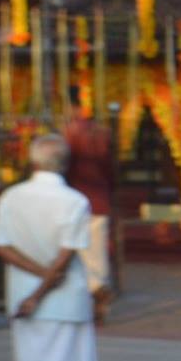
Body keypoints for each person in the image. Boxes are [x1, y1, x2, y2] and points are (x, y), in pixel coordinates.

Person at [0, 133, 107, 361]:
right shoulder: (74, 201)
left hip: (24, 299)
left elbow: (1, 246)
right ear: (66, 165)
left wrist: (33, 287)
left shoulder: (11, 198)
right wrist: (44, 283)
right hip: (63, 298)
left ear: (33, 162)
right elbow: (66, 256)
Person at [62, 113, 119, 324]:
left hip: (75, 200)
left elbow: (66, 169)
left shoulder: (69, 134)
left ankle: (93, 289)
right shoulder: (102, 133)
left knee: (77, 250)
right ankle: (99, 285)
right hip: (99, 199)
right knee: (97, 249)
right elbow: (111, 169)